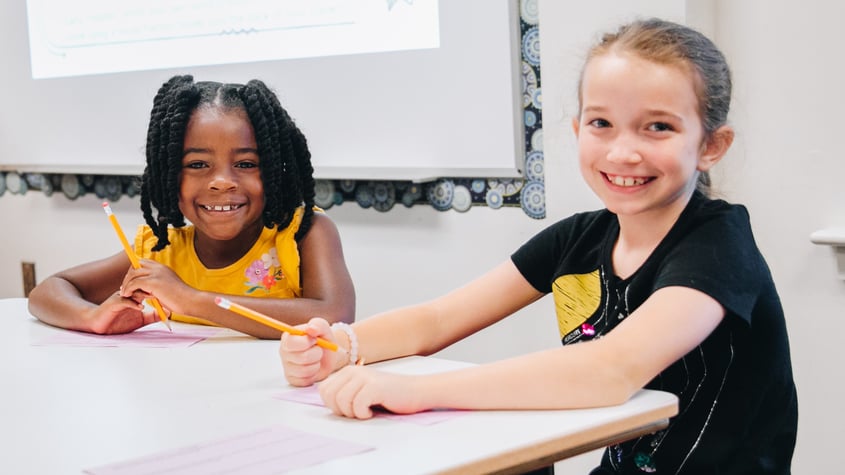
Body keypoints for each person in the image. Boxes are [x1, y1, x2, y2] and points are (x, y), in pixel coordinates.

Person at [279, 18, 798, 474]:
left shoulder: (719, 245)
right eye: (601, 123)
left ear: (711, 145)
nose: (622, 151)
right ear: (577, 129)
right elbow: (438, 319)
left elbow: (609, 370)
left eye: (657, 127)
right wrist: (342, 347)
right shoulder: (582, 237)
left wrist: (415, 392)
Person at [28, 75, 355, 339]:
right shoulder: (159, 252)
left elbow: (335, 316)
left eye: (245, 163)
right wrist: (93, 317)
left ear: (274, 170)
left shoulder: (302, 235)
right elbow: (47, 292)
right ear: (168, 176)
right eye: (198, 164)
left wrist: (192, 300)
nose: (222, 182)